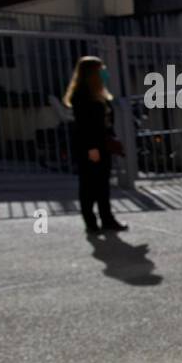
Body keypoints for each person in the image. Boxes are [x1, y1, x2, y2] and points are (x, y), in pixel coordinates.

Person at [64, 55, 127, 235]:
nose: (105, 72)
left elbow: (105, 121)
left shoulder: (99, 93)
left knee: (102, 184)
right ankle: (91, 222)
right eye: (101, 69)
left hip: (102, 143)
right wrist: (91, 148)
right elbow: (84, 125)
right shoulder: (82, 95)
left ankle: (107, 219)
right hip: (90, 146)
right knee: (89, 184)